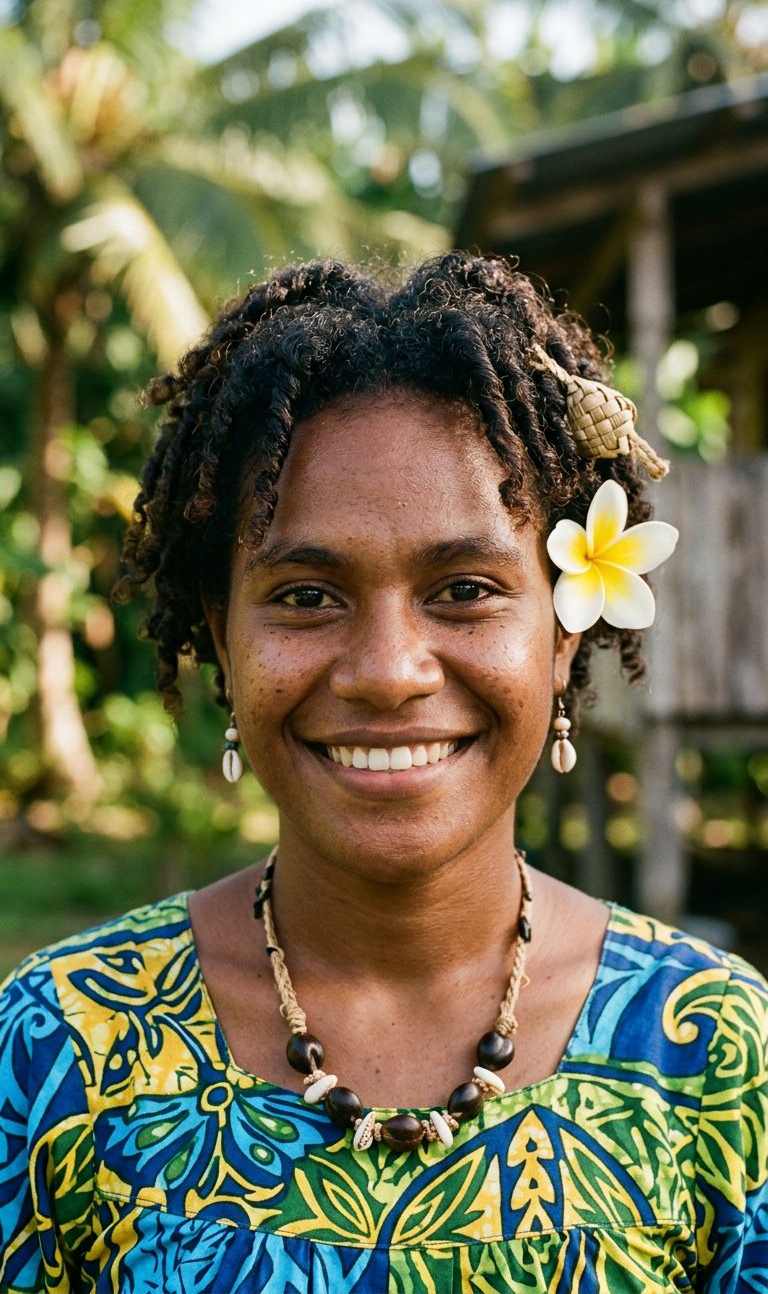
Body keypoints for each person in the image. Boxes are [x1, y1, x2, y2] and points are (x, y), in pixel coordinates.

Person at [1, 252, 766, 1293]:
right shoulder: (55, 1053)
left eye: (464, 586)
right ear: (222, 638)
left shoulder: (721, 1057)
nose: (388, 672)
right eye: (308, 595)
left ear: (563, 635)